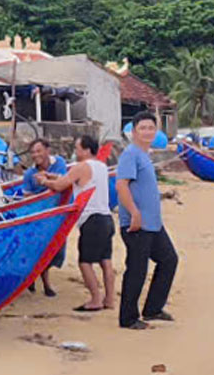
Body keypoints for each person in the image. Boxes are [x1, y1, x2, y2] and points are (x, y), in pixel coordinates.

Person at [36, 135, 115, 311]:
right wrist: (52, 176)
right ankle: (109, 299)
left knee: (85, 262)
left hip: (91, 220)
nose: (75, 151)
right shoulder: (101, 166)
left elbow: (60, 185)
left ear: (86, 150)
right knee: (105, 260)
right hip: (106, 218)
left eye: (78, 148)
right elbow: (71, 178)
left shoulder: (81, 166)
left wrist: (44, 181)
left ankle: (95, 299)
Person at [116, 111, 178, 330]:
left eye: (151, 128)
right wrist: (133, 213)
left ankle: (152, 309)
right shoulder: (130, 154)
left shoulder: (144, 155)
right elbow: (121, 185)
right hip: (136, 223)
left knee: (169, 259)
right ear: (134, 132)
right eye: (143, 128)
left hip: (153, 224)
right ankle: (128, 318)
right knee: (136, 269)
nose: (147, 132)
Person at [23, 139, 68, 296]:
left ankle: (37, 278)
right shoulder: (29, 174)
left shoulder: (59, 163)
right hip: (39, 219)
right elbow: (27, 197)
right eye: (33, 152)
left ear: (47, 150)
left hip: (58, 215)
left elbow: (63, 183)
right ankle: (44, 283)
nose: (36, 155)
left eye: (38, 151)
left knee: (56, 250)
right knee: (40, 249)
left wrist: (45, 181)